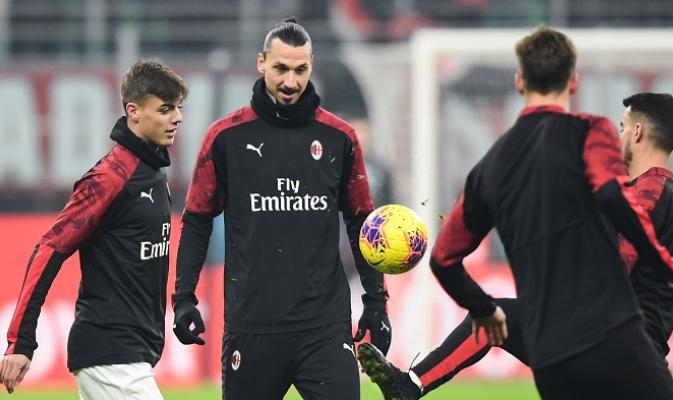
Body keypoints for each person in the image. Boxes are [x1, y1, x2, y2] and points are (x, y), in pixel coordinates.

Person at [364, 26, 673, 400]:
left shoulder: (499, 161)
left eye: (622, 127)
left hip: (613, 346)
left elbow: (616, 259)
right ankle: (410, 384)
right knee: (498, 318)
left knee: (494, 317)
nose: (616, 135)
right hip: (614, 344)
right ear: (572, 82)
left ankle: (410, 386)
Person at [171, 17, 390, 399]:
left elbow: (361, 223)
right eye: (281, 68)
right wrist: (184, 297)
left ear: (311, 67)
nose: (290, 81)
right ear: (261, 63)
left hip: (324, 328)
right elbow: (197, 220)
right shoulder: (225, 137)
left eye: (300, 70)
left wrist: (376, 302)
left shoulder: (340, 138)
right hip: (252, 326)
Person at [0, 60, 187, 399]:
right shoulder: (111, 177)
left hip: (130, 353)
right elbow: (49, 248)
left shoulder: (154, 173)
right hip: (110, 353)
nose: (177, 118)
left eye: (178, 108)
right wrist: (20, 340)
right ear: (133, 111)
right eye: (165, 109)